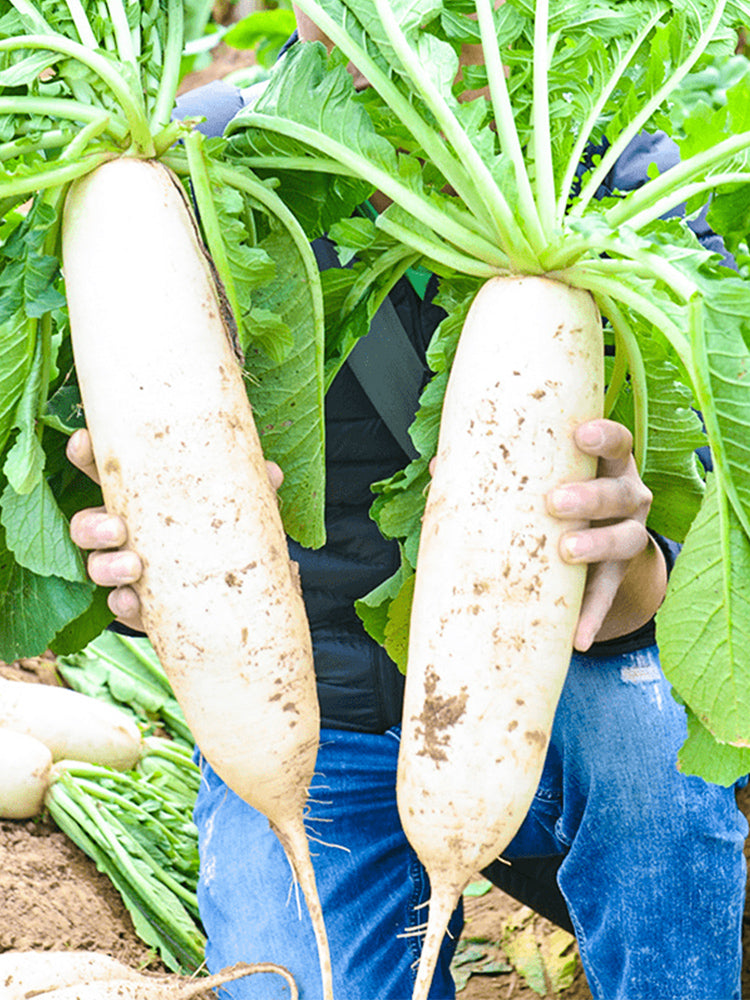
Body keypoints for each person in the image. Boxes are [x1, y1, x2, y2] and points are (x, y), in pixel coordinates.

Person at [66, 13, 748, 1000]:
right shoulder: (209, 169)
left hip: (553, 706)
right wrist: (156, 547)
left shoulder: (619, 184)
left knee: (654, 749)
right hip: (314, 724)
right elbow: (117, 472)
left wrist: (631, 566)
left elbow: (674, 577)